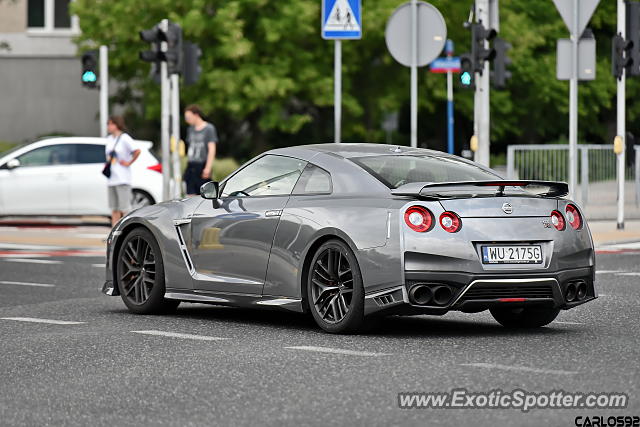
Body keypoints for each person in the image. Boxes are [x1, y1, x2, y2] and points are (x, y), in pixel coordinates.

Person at [105, 115, 140, 227]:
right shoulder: (109, 139)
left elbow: (137, 151)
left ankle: (127, 231)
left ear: (117, 124)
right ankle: (114, 233)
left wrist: (128, 162)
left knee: (125, 208)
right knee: (114, 208)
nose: (109, 126)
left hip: (122, 178)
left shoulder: (124, 138)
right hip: (112, 178)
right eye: (108, 124)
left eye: (111, 124)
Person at [183, 104, 218, 195]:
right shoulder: (190, 129)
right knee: (190, 194)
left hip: (202, 165)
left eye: (188, 117)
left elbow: (212, 149)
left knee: (204, 194)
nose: (187, 120)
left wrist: (208, 167)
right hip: (191, 165)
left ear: (196, 115)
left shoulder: (208, 128)